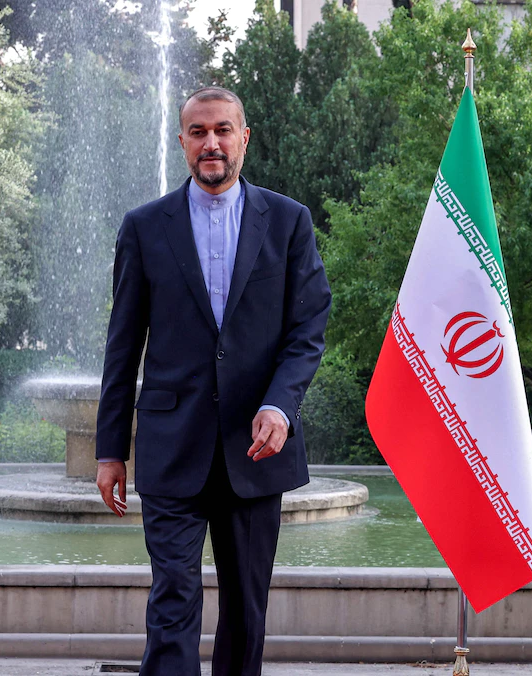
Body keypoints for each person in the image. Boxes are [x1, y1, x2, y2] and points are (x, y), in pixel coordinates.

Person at [95, 86, 332, 676]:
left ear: (244, 138)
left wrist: (280, 405)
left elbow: (308, 329)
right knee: (172, 599)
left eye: (223, 130)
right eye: (198, 132)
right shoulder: (144, 226)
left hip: (256, 447)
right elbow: (123, 346)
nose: (212, 143)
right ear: (182, 141)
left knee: (247, 610)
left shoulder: (289, 221)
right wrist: (109, 450)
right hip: (171, 445)